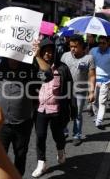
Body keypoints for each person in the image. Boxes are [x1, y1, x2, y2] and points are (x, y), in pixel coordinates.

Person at [0, 40, 50, 176]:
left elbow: (47, 76)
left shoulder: (29, 70)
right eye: (10, 55)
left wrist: (38, 56)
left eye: (16, 55)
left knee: (20, 156)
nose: (12, 59)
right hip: (2, 124)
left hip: (23, 123)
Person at [31, 39, 74, 177]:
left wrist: (73, 109)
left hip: (57, 110)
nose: (48, 54)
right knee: (40, 136)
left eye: (51, 51)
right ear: (41, 52)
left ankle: (61, 150)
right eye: (45, 51)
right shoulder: (34, 67)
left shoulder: (62, 68)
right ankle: (41, 163)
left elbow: (69, 89)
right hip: (40, 109)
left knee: (58, 136)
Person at [61, 34, 96, 146]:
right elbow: (58, 71)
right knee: (63, 112)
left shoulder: (88, 58)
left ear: (82, 47)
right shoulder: (65, 56)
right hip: (65, 90)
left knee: (78, 114)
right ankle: (64, 130)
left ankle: (77, 135)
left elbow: (92, 76)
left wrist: (91, 92)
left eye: (75, 46)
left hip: (80, 91)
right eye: (71, 46)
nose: (72, 49)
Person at [89, 36, 110, 129]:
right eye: (100, 43)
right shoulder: (93, 50)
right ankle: (97, 116)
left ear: (107, 43)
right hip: (94, 80)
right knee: (93, 101)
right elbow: (88, 62)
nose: (101, 45)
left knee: (102, 102)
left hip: (105, 81)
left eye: (104, 43)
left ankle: (99, 121)